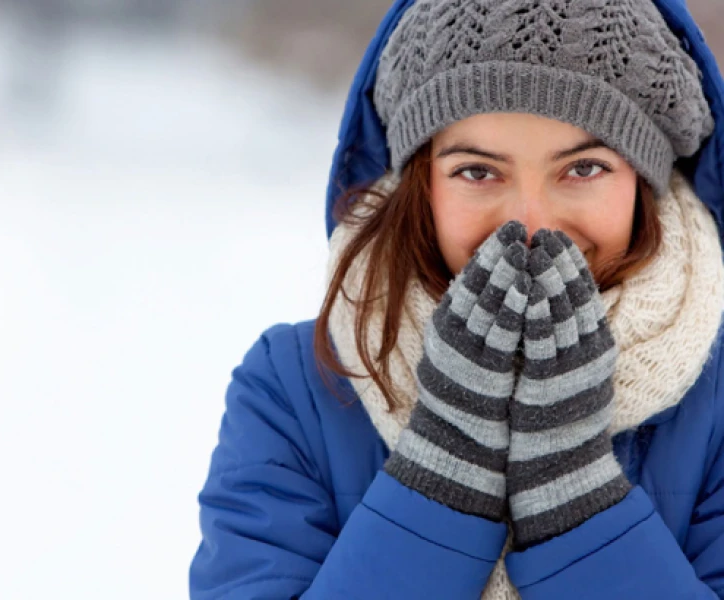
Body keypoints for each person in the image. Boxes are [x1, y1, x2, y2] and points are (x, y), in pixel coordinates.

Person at [190, 0, 724, 597]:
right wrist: (441, 477)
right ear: (420, 185)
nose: (531, 223)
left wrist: (579, 508)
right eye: (477, 171)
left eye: (583, 169)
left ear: (644, 182)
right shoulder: (294, 390)